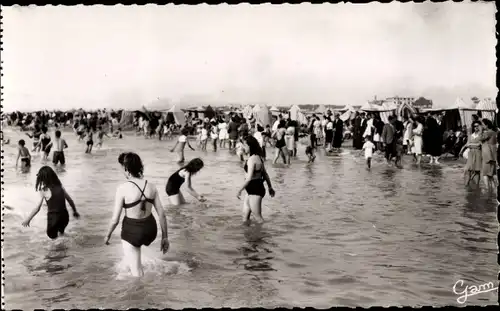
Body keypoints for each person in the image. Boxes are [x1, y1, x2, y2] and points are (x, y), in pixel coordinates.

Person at [104, 153, 169, 277]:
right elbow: (162, 214)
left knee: (137, 272)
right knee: (136, 256)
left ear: (126, 169)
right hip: (150, 230)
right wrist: (165, 237)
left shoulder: (122, 188)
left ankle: (140, 293)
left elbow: (115, 219)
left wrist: (107, 236)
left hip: (133, 231)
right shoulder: (151, 186)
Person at [22, 166, 80, 239]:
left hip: (54, 218)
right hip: (65, 216)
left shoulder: (44, 190)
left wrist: (28, 219)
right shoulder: (60, 186)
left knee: (53, 239)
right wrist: (75, 211)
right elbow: (70, 200)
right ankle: (71, 240)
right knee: (61, 234)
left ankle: (58, 249)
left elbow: (37, 208)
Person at [237, 136, 275, 225]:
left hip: (255, 189)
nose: (243, 147)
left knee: (258, 218)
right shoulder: (258, 157)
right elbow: (265, 174)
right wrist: (270, 187)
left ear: (251, 146)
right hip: (253, 189)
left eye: (245, 145)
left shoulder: (251, 160)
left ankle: (264, 236)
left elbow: (249, 178)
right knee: (245, 217)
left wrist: (239, 190)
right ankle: (249, 236)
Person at [460, 121, 483, 186]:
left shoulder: (481, 135)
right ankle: (466, 184)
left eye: (477, 126)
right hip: (471, 153)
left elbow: (479, 144)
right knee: (468, 169)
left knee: (477, 170)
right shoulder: (470, 135)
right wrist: (474, 144)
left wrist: (471, 144)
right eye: (474, 126)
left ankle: (476, 185)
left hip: (478, 153)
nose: (476, 127)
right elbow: (467, 144)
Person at [479, 119, 497, 190]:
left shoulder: (488, 133)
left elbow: (480, 138)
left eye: (483, 124)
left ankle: (488, 192)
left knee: (485, 175)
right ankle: (493, 193)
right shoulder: (493, 132)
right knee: (491, 176)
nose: (482, 126)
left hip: (487, 157)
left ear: (486, 125)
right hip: (492, 156)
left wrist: (480, 131)